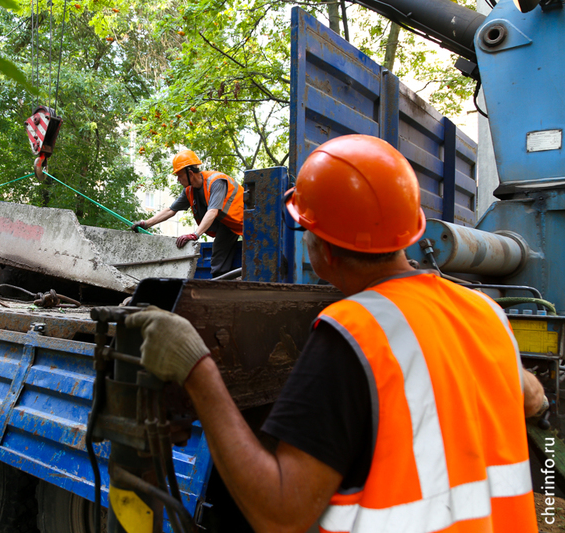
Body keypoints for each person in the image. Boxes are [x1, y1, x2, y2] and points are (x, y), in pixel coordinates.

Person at [126, 135, 546, 533]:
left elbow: (280, 515)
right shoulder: (485, 312)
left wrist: (197, 369)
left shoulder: (353, 332)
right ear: (409, 231)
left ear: (323, 248)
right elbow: (531, 397)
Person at [131, 150, 243, 278]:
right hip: (227, 224)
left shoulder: (216, 182)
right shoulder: (189, 190)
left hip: (246, 221)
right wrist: (146, 224)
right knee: (218, 259)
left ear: (190, 173)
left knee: (223, 258)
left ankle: (222, 283)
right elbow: (171, 210)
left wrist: (195, 235)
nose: (178, 180)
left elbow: (213, 211)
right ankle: (221, 281)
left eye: (179, 175)